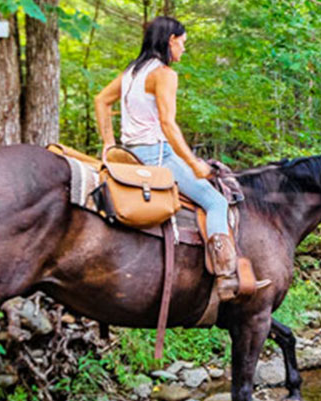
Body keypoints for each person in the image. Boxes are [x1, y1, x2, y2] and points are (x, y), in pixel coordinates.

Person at [93, 17, 244, 300]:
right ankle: (225, 276)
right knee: (216, 201)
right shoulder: (164, 74)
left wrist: (109, 143)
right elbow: (168, 124)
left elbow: (101, 100)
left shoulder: (131, 73)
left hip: (129, 155)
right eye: (183, 43)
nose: (183, 50)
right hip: (157, 155)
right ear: (171, 40)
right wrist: (194, 163)